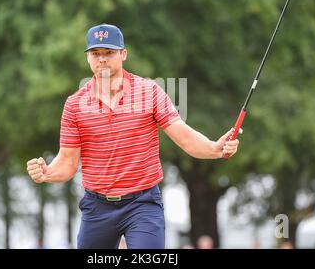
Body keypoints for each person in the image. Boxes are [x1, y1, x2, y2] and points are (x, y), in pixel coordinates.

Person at [26, 24, 241, 249]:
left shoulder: (150, 91)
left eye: (109, 52)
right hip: (97, 207)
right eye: (95, 53)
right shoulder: (74, 104)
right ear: (88, 58)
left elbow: (184, 137)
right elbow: (68, 163)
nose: (102, 59)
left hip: (142, 204)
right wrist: (47, 173)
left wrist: (215, 148)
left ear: (123, 54)